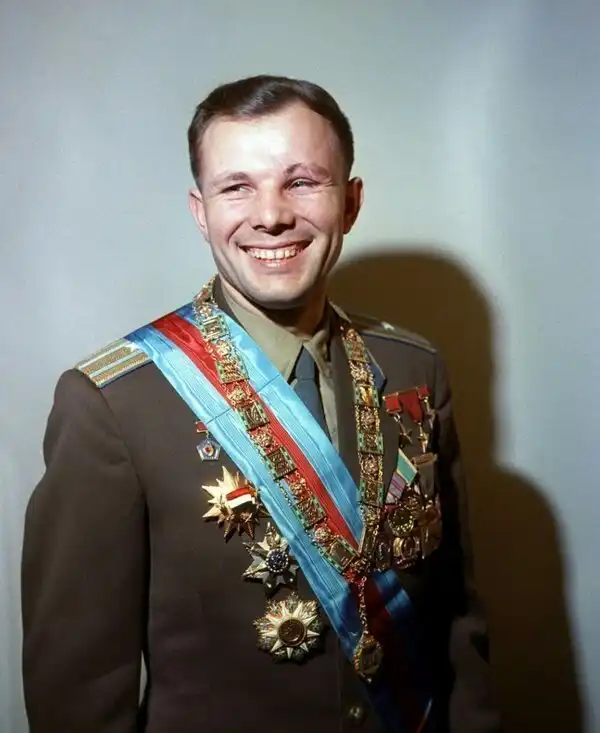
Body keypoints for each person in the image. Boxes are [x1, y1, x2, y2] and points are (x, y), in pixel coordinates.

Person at [21, 75, 501, 733]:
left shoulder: (413, 368)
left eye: (301, 181)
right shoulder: (114, 405)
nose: (271, 215)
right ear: (201, 211)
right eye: (236, 187)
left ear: (351, 202)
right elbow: (79, 691)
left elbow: (456, 624)